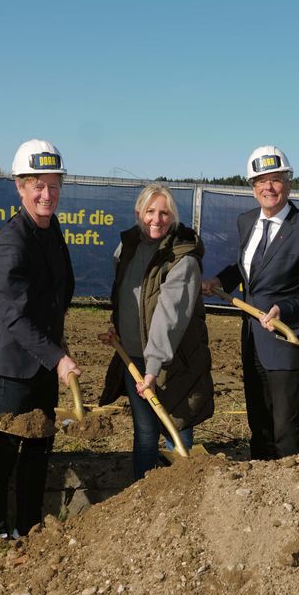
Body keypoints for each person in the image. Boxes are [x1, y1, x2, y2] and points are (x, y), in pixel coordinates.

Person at [202, 145, 299, 459]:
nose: (268, 187)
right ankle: (260, 481)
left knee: (285, 431)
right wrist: (221, 280)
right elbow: (247, 268)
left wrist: (283, 310)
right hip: (252, 340)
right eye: (261, 181)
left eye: (275, 180)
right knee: (258, 426)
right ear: (252, 186)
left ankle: (289, 484)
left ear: (288, 183)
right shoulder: (246, 221)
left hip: (286, 342)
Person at [0, 140, 78, 540]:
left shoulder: (52, 228)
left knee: (39, 446)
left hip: (42, 362)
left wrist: (57, 346)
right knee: (5, 449)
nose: (46, 195)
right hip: (12, 368)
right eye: (38, 185)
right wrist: (58, 358)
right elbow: (14, 315)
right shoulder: (11, 241)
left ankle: (29, 527)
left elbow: (59, 291)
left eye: (53, 186)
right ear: (19, 187)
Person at [99, 185, 213, 478]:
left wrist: (153, 367)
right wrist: (119, 327)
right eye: (150, 211)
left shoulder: (183, 258)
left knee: (177, 425)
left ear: (173, 217)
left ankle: (180, 492)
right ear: (139, 213)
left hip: (175, 360)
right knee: (145, 432)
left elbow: (169, 315)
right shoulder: (126, 248)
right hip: (134, 357)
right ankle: (143, 496)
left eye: (164, 213)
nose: (156, 219)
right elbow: (125, 296)